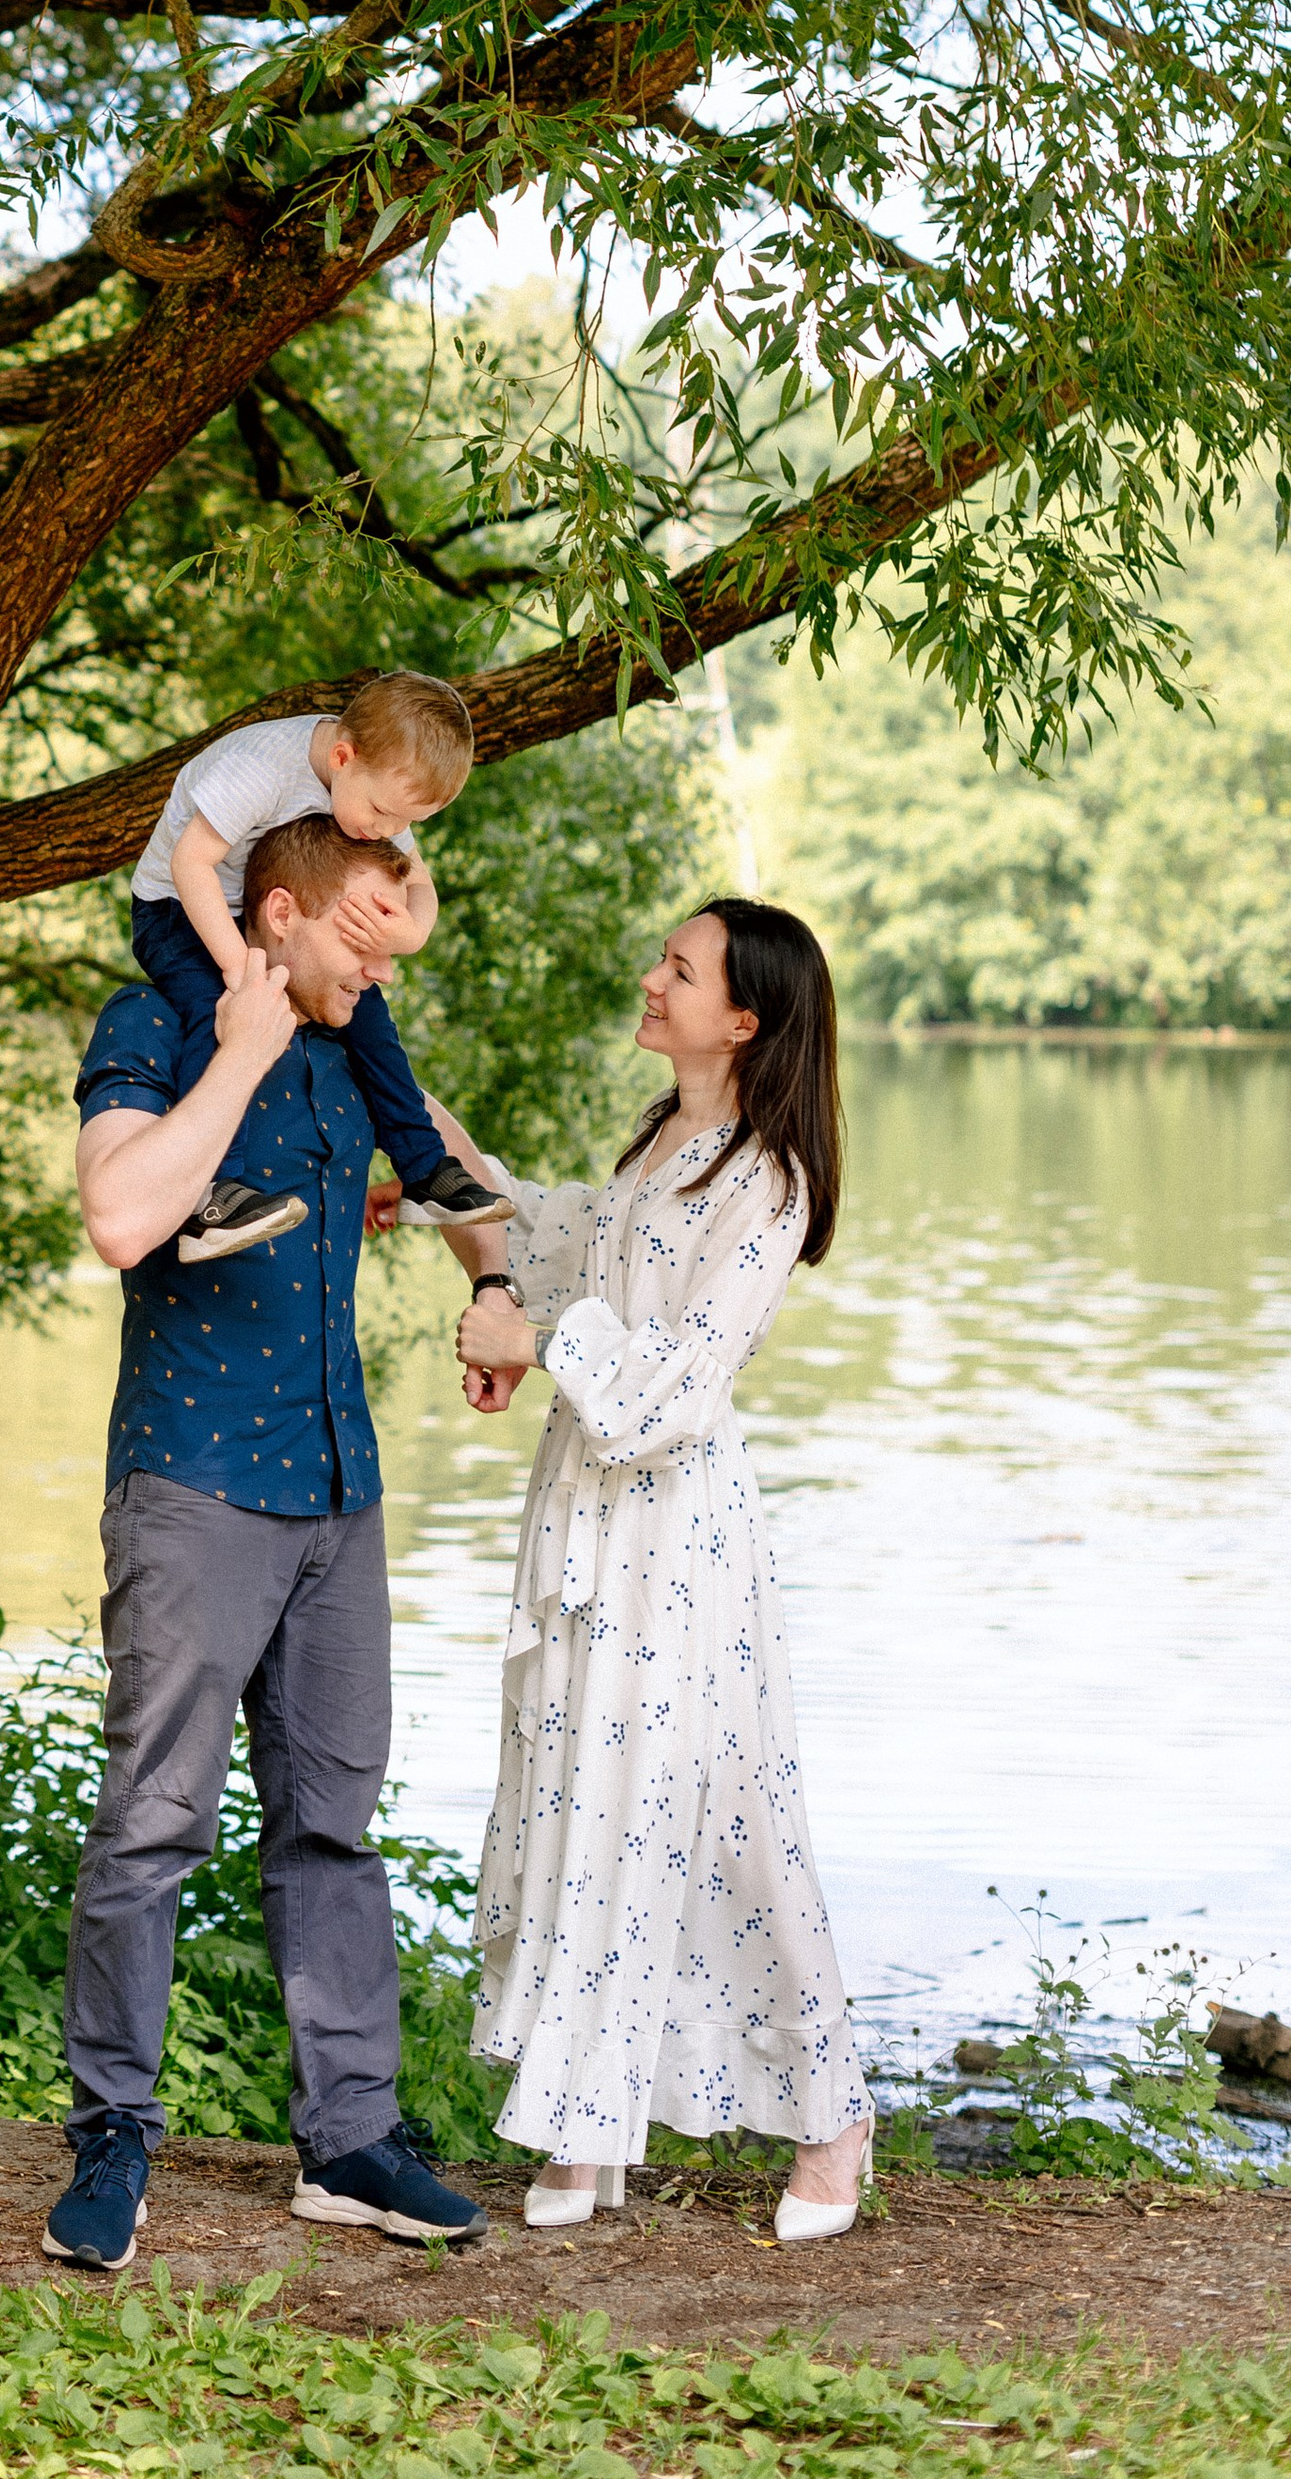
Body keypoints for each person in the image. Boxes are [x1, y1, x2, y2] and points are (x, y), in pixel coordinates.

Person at [45, 812, 495, 2276]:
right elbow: (120, 1215)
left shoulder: (359, 1044)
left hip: (336, 1487)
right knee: (152, 1822)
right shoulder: (161, 1018)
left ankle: (349, 2141)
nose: (377, 964)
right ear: (278, 912)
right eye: (357, 934)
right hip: (193, 1486)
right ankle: (112, 2133)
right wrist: (236, 1048)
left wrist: (503, 1297)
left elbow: (451, 1178)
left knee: (332, 1830)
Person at [450, 897, 877, 2244]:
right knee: (587, 1803)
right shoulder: (666, 1144)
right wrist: (449, 1167)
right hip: (590, 1519)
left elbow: (670, 1394)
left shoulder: (768, 1181)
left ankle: (833, 2122)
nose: (650, 977)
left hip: (677, 1545)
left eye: (677, 970)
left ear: (741, 1019)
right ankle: (584, 2120)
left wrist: (529, 1340)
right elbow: (571, 1239)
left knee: (729, 1823)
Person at [128, 670, 517, 1260]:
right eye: (384, 814)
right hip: (177, 909)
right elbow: (190, 865)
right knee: (225, 1019)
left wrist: (412, 932)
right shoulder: (261, 770)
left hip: (259, 912)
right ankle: (212, 1197)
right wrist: (243, 976)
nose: (386, 833)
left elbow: (420, 886)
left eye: (403, 824)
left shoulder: (374, 789)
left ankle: (423, 1168)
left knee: (370, 1019)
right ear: (342, 756)